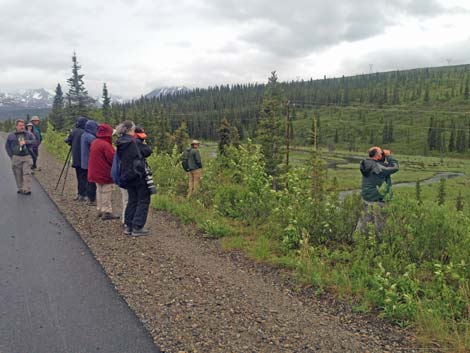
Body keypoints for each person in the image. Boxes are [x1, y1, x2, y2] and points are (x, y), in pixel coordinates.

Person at [116, 121, 151, 236]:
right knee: (143, 199)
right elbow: (147, 151)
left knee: (132, 200)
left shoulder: (121, 142)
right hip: (138, 174)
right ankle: (137, 227)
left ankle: (129, 226)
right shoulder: (133, 142)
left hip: (126, 175)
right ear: (130, 129)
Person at [356, 147, 399, 235]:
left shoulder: (366, 163)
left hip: (367, 198)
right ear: (377, 156)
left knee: (364, 222)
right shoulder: (378, 167)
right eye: (381, 153)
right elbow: (395, 167)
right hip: (378, 200)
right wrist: (389, 156)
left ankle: (357, 241)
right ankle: (379, 244)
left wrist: (383, 156)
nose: (383, 154)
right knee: (381, 225)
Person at [88, 124, 119, 220]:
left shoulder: (95, 142)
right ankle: (107, 211)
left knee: (99, 190)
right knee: (106, 191)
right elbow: (112, 159)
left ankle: (100, 209)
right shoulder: (106, 145)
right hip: (104, 172)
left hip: (95, 171)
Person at [5, 119, 36, 195]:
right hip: (16, 157)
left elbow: (35, 141)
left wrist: (26, 142)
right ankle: (21, 188)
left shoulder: (28, 134)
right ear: (16, 126)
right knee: (18, 174)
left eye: (23, 125)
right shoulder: (11, 135)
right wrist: (11, 156)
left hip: (26, 156)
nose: (22, 127)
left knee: (27, 173)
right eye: (20, 125)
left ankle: (27, 189)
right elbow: (7, 146)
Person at [65, 116, 88, 201]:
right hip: (85, 159)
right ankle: (84, 194)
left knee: (79, 177)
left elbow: (68, 140)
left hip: (76, 158)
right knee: (85, 177)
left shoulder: (74, 131)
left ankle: (79, 194)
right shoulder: (86, 132)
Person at [81, 120, 98, 205]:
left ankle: (88, 197)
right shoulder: (91, 137)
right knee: (91, 182)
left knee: (87, 181)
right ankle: (92, 199)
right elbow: (96, 148)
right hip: (90, 163)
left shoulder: (84, 135)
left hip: (84, 162)